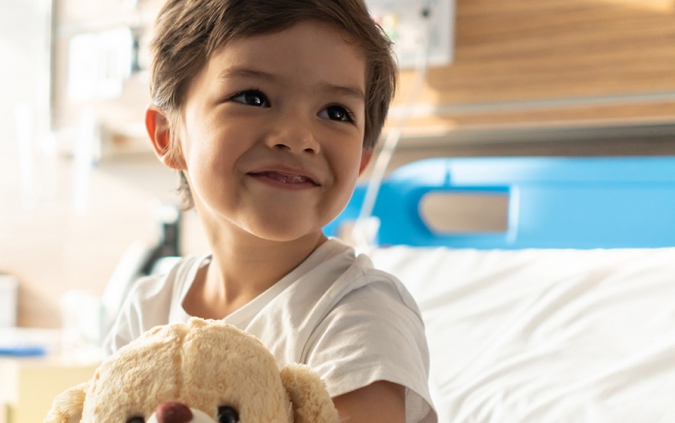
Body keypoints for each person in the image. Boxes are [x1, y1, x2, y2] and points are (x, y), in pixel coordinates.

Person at [102, 0, 434, 422]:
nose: (298, 137)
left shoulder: (359, 314)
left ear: (362, 160)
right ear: (170, 136)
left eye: (336, 112)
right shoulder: (148, 308)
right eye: (253, 97)